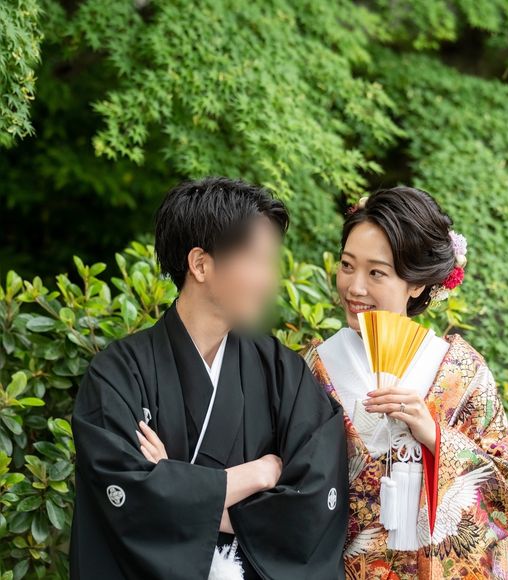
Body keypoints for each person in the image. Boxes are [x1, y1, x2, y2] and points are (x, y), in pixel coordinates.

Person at [69, 177, 348, 580]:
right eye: (256, 260)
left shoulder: (280, 371)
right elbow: (124, 499)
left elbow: (313, 503)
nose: (269, 280)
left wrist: (175, 484)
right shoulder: (117, 375)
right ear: (200, 264)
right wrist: (257, 474)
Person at [303, 187, 508, 579]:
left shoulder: (461, 373)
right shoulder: (314, 368)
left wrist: (434, 436)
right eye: (347, 265)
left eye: (376, 273)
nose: (354, 287)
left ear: (416, 284)